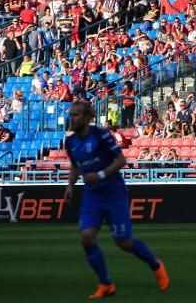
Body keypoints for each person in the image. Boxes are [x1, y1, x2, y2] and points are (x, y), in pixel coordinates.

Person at [62, 101, 169, 298]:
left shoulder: (101, 136)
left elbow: (121, 160)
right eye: (71, 114)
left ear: (87, 118)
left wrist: (101, 175)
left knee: (124, 243)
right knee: (86, 237)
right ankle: (106, 284)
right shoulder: (70, 141)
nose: (72, 118)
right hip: (92, 195)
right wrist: (70, 185)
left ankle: (156, 266)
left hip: (113, 192)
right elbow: (76, 165)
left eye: (76, 115)